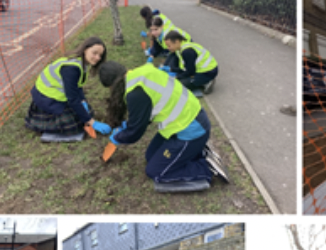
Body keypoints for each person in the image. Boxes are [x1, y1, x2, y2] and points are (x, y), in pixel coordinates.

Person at [97, 60, 228, 192]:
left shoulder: (135, 92)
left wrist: (118, 138)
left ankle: (206, 167)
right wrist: (127, 125)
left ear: (111, 86)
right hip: (182, 123)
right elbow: (145, 112)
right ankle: (195, 151)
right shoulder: (141, 73)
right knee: (150, 156)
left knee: (156, 172)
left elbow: (136, 132)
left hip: (191, 130)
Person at [25, 36, 113, 143]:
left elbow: (77, 86)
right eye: (94, 53)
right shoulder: (71, 69)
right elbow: (72, 99)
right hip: (46, 98)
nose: (97, 57)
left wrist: (83, 101)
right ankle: (50, 135)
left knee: (86, 112)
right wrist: (92, 122)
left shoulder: (81, 61)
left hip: (56, 95)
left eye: (100, 55)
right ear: (85, 49)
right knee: (74, 125)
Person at [163, 31, 218, 97]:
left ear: (177, 42)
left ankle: (207, 82)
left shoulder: (187, 51)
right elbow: (184, 67)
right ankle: (199, 82)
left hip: (208, 72)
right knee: (178, 80)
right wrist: (171, 69)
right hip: (199, 70)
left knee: (179, 85)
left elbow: (190, 72)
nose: (168, 48)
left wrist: (177, 77)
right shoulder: (179, 48)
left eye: (169, 46)